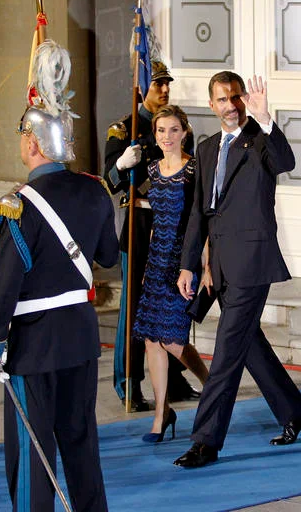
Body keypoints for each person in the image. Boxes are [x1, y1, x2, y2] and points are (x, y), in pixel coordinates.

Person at [0, 40, 117, 510]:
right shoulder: (95, 192)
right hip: (79, 336)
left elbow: (7, 280)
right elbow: (109, 257)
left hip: (33, 342)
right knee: (80, 440)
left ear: (33, 143)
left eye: (22, 136)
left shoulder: (20, 206)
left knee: (33, 450)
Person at [173, 71, 301, 468]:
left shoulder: (259, 140)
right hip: (218, 263)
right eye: (222, 99)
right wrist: (190, 265)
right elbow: (199, 212)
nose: (231, 106)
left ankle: (206, 441)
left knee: (226, 351)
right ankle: (293, 412)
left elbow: (286, 161)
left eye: (236, 98)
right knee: (248, 343)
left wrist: (266, 117)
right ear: (211, 104)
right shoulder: (204, 149)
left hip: (253, 260)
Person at [104, 61, 199, 410]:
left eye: (166, 85)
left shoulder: (172, 124)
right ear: (140, 88)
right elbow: (107, 180)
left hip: (171, 229)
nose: (163, 90)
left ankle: (173, 379)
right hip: (140, 227)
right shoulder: (123, 128)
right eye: (157, 85)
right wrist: (120, 165)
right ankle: (129, 383)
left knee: (173, 307)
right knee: (134, 310)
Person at [132, 105, 210, 442]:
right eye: (161, 130)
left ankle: (211, 386)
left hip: (184, 262)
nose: (166, 136)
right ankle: (161, 414)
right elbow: (149, 212)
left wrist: (203, 267)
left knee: (174, 340)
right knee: (152, 339)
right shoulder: (152, 167)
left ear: (185, 132)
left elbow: (202, 221)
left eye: (173, 130)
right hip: (156, 261)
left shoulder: (195, 169)